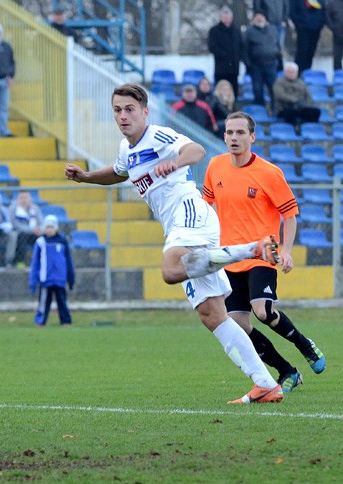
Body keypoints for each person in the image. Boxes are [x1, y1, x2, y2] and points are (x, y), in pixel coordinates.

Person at [65, 83, 284, 404]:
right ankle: (265, 384)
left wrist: (177, 162)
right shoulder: (127, 149)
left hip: (189, 212)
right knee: (211, 315)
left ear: (144, 112)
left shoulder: (158, 135)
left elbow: (195, 150)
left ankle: (252, 249)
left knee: (170, 270)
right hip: (177, 226)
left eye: (129, 110)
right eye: (117, 110)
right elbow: (118, 172)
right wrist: (85, 177)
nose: (123, 116)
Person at [203, 111, 326, 392]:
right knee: (237, 324)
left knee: (264, 311)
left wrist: (287, 251)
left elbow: (290, 215)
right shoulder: (215, 166)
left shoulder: (269, 173)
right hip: (231, 257)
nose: (234, 138)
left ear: (252, 137)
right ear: (224, 136)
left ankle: (305, 345)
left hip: (263, 254)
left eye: (240, 133)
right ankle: (287, 372)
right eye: (229, 133)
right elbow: (207, 206)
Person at [29, 214, 75, 326]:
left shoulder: (63, 242)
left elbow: (68, 261)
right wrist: (33, 281)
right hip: (46, 278)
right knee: (44, 302)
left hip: (59, 278)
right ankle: (40, 321)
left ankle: (66, 321)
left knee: (62, 301)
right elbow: (35, 263)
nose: (49, 230)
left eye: (51, 227)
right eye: (47, 227)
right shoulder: (40, 242)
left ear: (56, 228)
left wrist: (71, 278)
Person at [243, 10, 281, 111]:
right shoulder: (249, 31)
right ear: (254, 19)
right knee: (258, 90)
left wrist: (280, 61)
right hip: (256, 66)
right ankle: (260, 111)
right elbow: (245, 49)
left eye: (261, 17)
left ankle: (275, 110)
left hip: (271, 64)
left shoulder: (273, 29)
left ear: (265, 19)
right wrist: (248, 64)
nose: (259, 19)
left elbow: (278, 46)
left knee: (274, 89)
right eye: (257, 17)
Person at [207, 5, 244, 96]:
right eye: (224, 17)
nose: (227, 19)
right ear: (221, 18)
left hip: (234, 68)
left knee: (233, 92)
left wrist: (239, 57)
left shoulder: (236, 31)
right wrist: (224, 55)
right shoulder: (214, 31)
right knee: (220, 91)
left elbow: (241, 46)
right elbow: (212, 46)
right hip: (221, 68)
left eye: (228, 17)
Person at [289, 0, 326, 74]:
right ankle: (298, 73)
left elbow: (323, 10)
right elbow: (292, 12)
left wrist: (320, 24)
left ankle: (307, 72)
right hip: (303, 29)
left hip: (316, 28)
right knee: (302, 52)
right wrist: (299, 24)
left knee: (311, 52)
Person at [8, 190, 43, 267]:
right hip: (19, 234)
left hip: (34, 233)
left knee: (42, 239)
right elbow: (15, 224)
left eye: (26, 198)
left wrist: (39, 229)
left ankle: (41, 262)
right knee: (22, 236)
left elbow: (40, 222)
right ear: (18, 199)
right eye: (21, 198)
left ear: (30, 198)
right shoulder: (13, 208)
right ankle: (20, 262)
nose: (24, 200)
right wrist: (31, 230)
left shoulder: (35, 208)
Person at [327, 0, 343, 70]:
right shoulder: (332, 3)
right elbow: (327, 16)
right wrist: (333, 27)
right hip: (338, 35)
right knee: (337, 57)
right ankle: (338, 77)